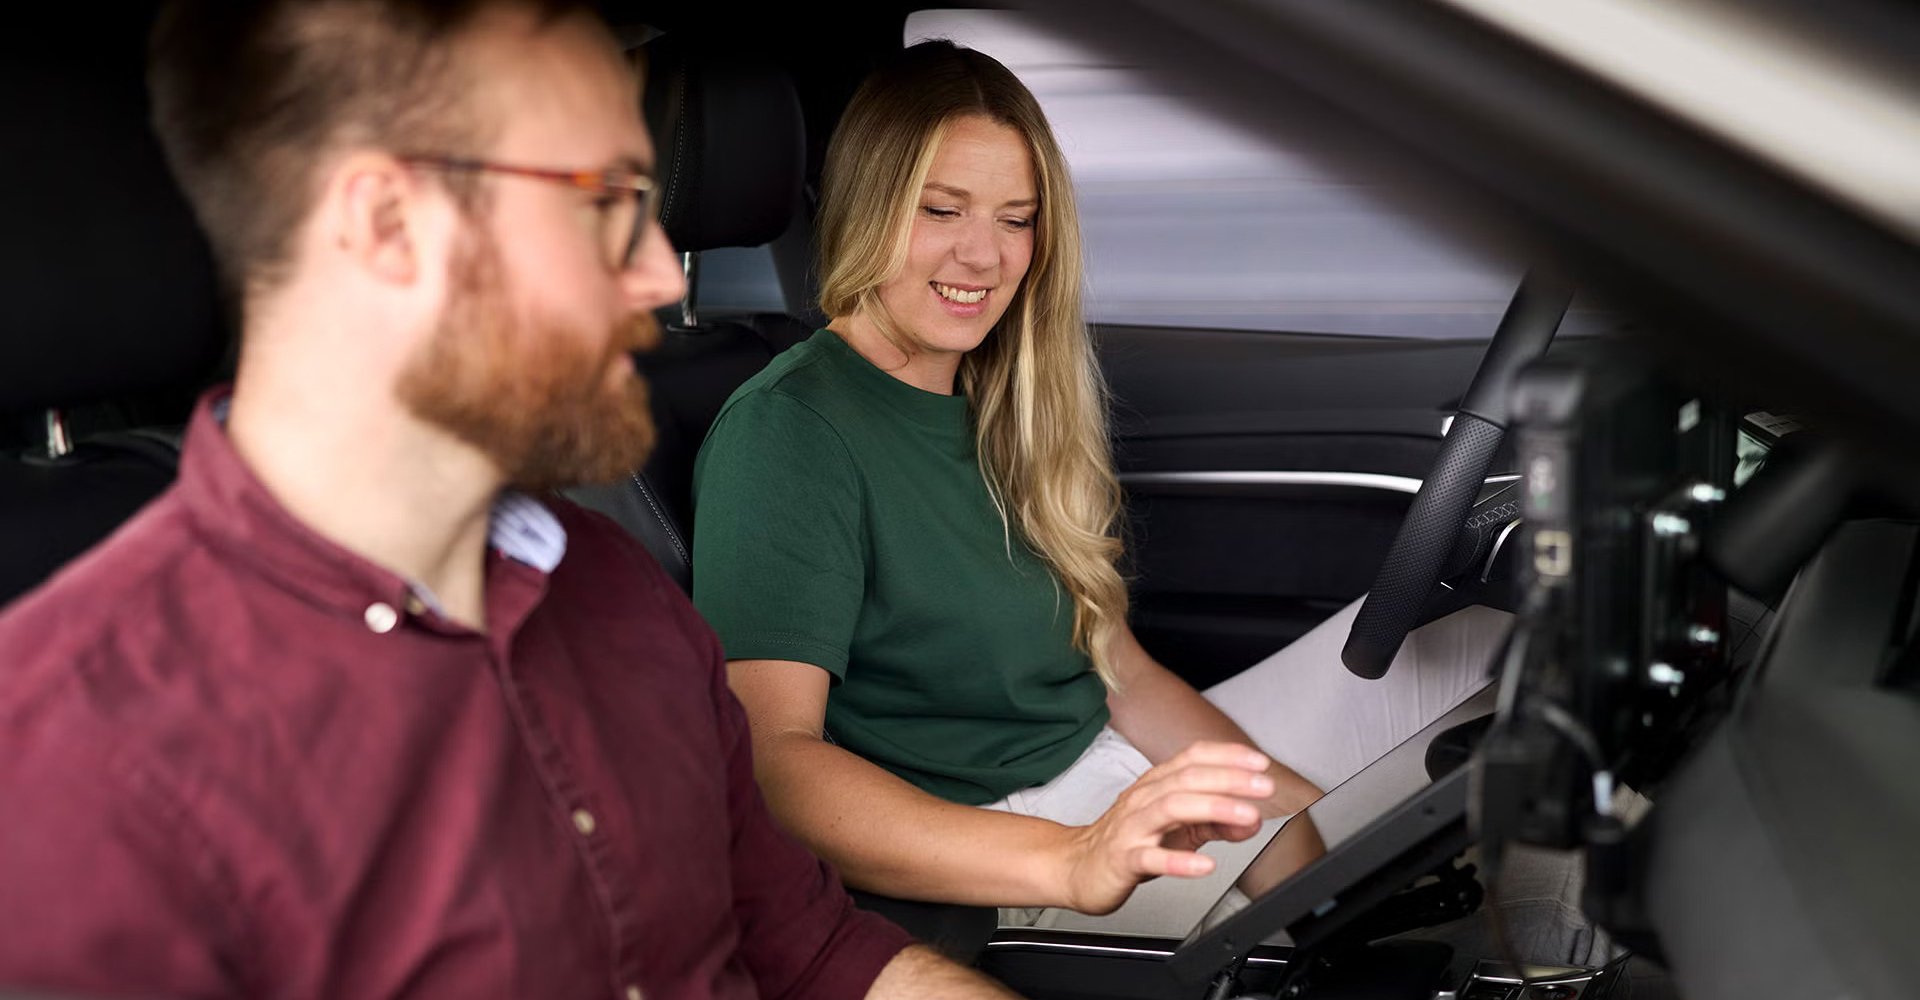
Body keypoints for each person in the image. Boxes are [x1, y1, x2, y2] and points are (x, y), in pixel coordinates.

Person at [0, 4, 1020, 998]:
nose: (657, 271)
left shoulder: (617, 589)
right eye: (606, 204)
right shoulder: (81, 767)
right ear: (388, 225)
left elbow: (818, 952)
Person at [691, 39, 1510, 930]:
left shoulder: (1006, 397)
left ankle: (1557, 957)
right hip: (1009, 847)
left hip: (1116, 770)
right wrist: (1073, 858)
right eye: (941, 209)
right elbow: (775, 765)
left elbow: (1123, 676)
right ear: (866, 204)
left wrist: (1292, 832)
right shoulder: (789, 430)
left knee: (1504, 641)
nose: (983, 255)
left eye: (1016, 219)